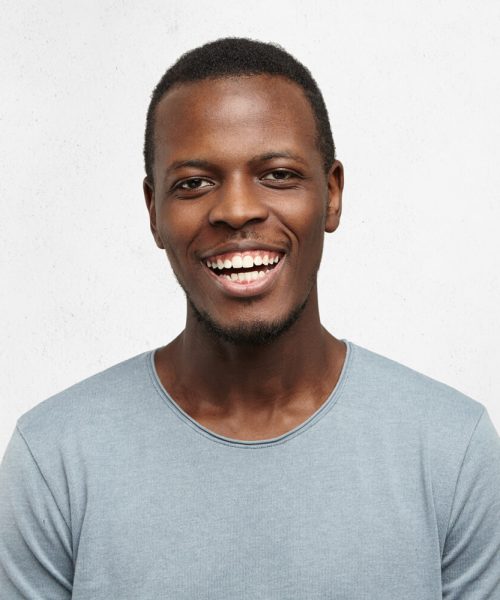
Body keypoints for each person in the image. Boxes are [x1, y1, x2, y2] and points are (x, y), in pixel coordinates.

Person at [0, 37, 499, 599]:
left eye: (278, 174)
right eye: (193, 183)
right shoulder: (55, 460)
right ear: (154, 211)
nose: (237, 210)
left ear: (332, 194)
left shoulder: (452, 450)